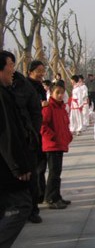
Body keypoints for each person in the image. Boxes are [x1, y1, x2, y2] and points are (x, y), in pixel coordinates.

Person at [0, 51, 33, 248]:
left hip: (7, 163)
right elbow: (7, 135)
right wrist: (18, 167)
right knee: (22, 205)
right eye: (11, 65)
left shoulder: (7, 92)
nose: (14, 69)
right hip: (6, 166)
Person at [11, 61, 45, 224]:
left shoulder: (25, 87)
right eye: (38, 71)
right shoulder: (7, 88)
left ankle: (32, 209)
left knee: (32, 173)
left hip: (27, 139)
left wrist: (32, 132)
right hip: (9, 140)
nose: (41, 74)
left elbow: (36, 112)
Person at [41, 85, 73, 209]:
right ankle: (50, 198)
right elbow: (42, 125)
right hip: (52, 145)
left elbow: (65, 124)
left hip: (59, 144)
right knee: (54, 172)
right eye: (57, 93)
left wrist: (68, 136)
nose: (60, 95)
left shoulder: (62, 108)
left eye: (62, 93)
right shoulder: (48, 108)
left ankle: (57, 196)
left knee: (57, 172)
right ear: (51, 93)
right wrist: (52, 136)